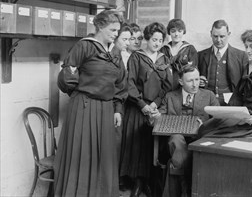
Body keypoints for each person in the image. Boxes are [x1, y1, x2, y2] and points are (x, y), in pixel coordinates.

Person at [54, 10, 127, 196]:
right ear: (100, 27)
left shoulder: (116, 52)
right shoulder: (84, 46)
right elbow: (66, 77)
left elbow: (121, 83)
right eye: (112, 29)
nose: (115, 34)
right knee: (82, 156)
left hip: (106, 110)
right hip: (84, 108)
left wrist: (117, 109)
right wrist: (80, 96)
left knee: (104, 159)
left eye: (117, 30)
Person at [198, 29, 252, 138]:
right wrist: (228, 112)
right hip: (244, 114)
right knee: (205, 128)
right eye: (246, 47)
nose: (248, 50)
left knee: (216, 135)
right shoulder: (248, 65)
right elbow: (238, 94)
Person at [119, 22, 172, 197]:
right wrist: (142, 105)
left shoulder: (164, 59)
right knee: (136, 146)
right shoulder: (137, 57)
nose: (156, 43)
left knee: (152, 146)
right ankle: (136, 184)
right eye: (153, 39)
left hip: (155, 109)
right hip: (137, 109)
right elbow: (130, 84)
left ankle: (148, 184)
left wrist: (156, 103)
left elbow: (167, 86)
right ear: (147, 39)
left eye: (160, 40)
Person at [158, 65, 219, 197]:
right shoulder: (170, 97)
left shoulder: (209, 96)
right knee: (176, 140)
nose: (195, 84)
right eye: (190, 81)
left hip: (199, 139)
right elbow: (158, 119)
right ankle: (187, 192)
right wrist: (154, 117)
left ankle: (183, 189)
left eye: (197, 79)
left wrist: (205, 125)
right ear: (180, 82)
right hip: (176, 141)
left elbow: (218, 119)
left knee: (178, 161)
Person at [197, 19, 248, 105]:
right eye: (215, 36)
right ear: (210, 34)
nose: (218, 40)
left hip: (232, 104)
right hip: (206, 102)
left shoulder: (241, 56)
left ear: (229, 34)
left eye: (222, 36)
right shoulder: (200, 55)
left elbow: (245, 84)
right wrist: (198, 80)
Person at [160, 19, 198, 90]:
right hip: (165, 88)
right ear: (169, 32)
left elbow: (193, 71)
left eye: (179, 31)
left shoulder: (190, 49)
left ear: (183, 32)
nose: (176, 34)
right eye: (173, 31)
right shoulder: (164, 50)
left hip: (184, 88)